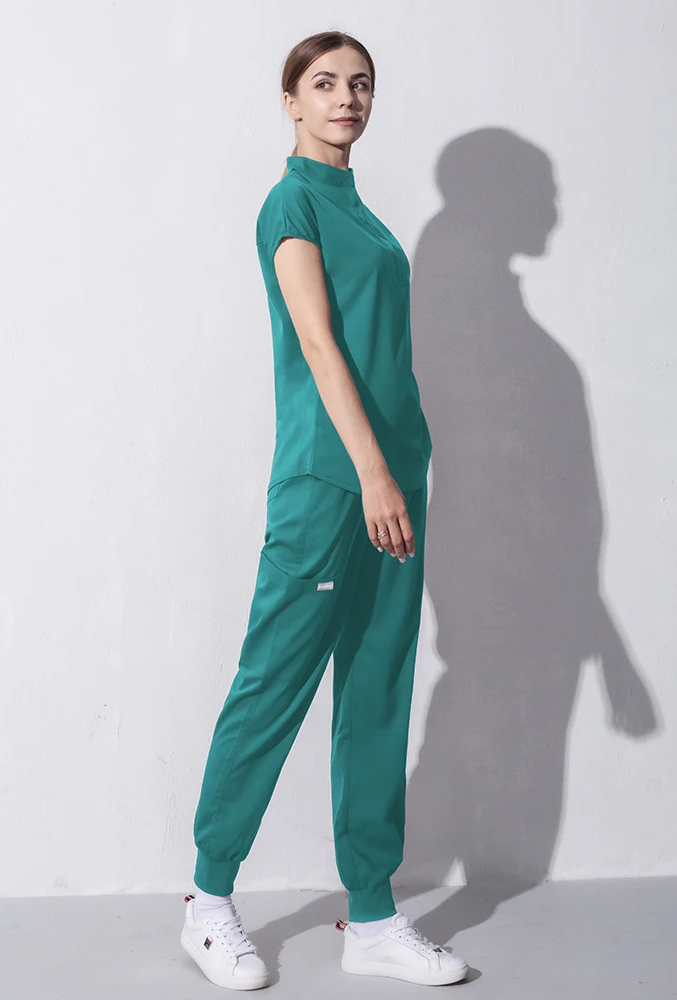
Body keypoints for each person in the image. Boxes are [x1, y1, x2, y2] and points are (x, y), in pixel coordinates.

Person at [179, 30, 469, 990]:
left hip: (396, 481)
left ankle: (373, 916)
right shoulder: (291, 203)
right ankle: (208, 901)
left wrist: (402, 470)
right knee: (274, 683)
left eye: (361, 84)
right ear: (291, 101)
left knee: (378, 689)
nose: (347, 97)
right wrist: (372, 473)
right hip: (331, 482)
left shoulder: (368, 218)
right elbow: (316, 340)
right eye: (325, 83)